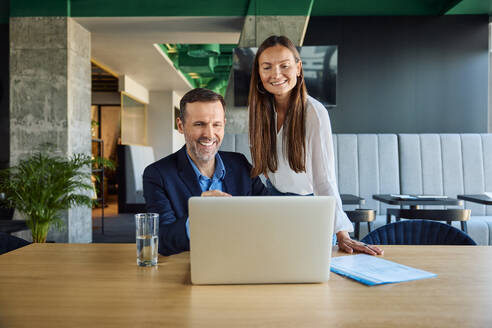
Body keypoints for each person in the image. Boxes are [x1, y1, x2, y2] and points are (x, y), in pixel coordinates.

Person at [248, 35, 383, 255]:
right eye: (267, 67)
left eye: (284, 66)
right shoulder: (260, 110)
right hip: (273, 203)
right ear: (259, 73)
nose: (276, 74)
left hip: (309, 207)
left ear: (298, 68)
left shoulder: (314, 113)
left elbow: (324, 179)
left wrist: (341, 233)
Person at [143, 88, 268, 256]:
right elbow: (162, 240)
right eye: (199, 124)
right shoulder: (157, 174)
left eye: (216, 124)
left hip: (244, 257)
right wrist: (199, 217)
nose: (209, 134)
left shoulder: (240, 164)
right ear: (181, 126)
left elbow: (268, 213)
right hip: (192, 264)